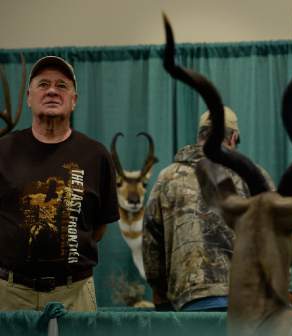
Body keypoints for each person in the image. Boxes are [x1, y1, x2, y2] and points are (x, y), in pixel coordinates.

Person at [0, 56, 119, 311]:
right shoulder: (2, 151)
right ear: (29, 97)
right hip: (9, 295)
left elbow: (99, 227)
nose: (52, 90)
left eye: (62, 85)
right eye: (43, 84)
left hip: (75, 295)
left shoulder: (96, 156)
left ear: (74, 100)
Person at [143, 106, 274, 312]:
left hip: (189, 302)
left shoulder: (167, 178)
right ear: (233, 138)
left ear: (200, 137)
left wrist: (160, 291)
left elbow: (152, 242)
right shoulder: (255, 177)